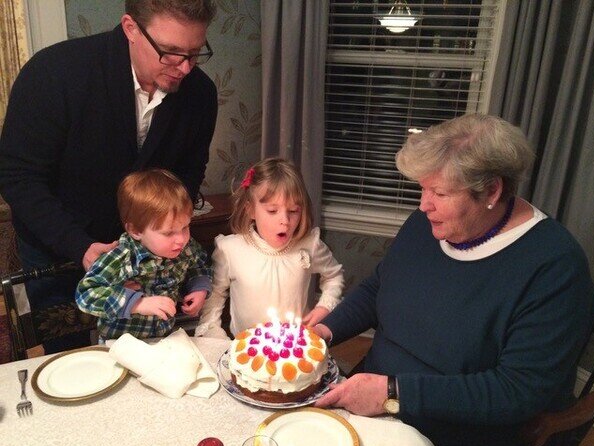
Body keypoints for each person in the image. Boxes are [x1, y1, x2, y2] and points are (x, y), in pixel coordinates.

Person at [313, 114, 594, 446]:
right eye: (423, 188)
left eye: (439, 192)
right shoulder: (427, 225)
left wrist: (393, 394)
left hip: (454, 432)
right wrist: (324, 332)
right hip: (371, 400)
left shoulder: (554, 267)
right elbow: (380, 285)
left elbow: (518, 389)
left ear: (492, 190)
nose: (424, 205)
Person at [0, 0, 217, 352]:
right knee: (70, 358)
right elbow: (19, 177)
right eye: (171, 52)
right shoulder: (54, 74)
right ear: (131, 28)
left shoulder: (200, 94)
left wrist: (166, 233)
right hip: (59, 247)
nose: (185, 68)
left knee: (147, 351)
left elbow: (189, 174)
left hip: (150, 256)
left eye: (194, 53)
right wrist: (78, 246)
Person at [195, 157, 344, 338]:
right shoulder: (230, 249)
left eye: (293, 211)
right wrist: (212, 331)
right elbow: (216, 294)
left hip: (293, 345)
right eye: (272, 211)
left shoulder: (310, 245)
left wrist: (324, 306)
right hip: (247, 349)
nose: (285, 221)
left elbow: (334, 276)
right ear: (250, 210)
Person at [76, 169, 211, 341]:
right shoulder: (122, 256)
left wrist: (199, 287)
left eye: (185, 227)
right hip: (119, 343)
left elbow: (199, 265)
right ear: (135, 230)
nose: (181, 239)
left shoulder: (186, 247)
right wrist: (136, 303)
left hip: (163, 338)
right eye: (169, 233)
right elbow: (86, 294)